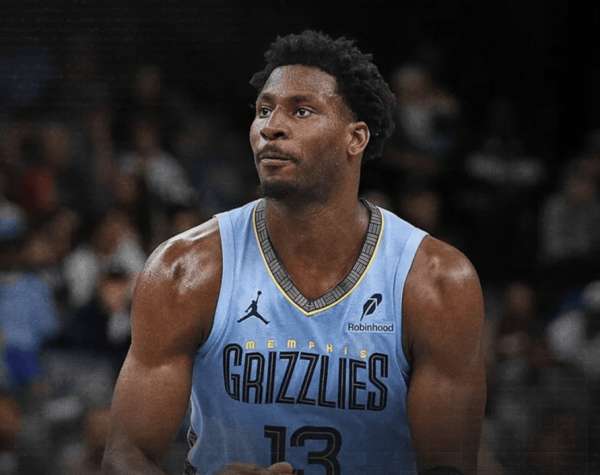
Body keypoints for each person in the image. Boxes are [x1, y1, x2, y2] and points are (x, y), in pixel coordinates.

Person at [102, 31, 486, 475]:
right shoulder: (185, 269)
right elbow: (124, 456)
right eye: (264, 110)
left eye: (301, 110)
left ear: (356, 138)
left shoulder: (436, 281)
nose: (271, 126)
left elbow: (449, 468)